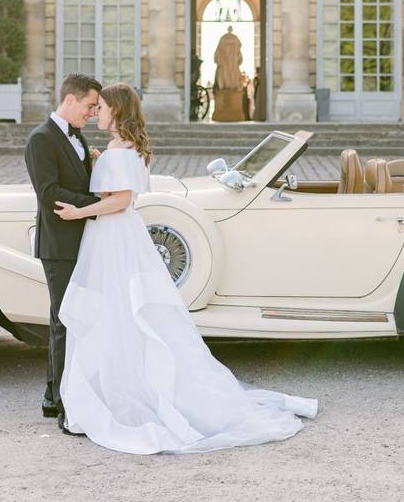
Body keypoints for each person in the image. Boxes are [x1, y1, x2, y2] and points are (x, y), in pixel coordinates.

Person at [52, 82, 318, 454]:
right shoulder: (126, 149)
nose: (97, 112)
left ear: (117, 110)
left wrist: (79, 211)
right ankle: (117, 382)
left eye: (102, 107)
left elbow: (120, 201)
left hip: (112, 235)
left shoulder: (118, 151)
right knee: (123, 313)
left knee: (117, 312)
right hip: (119, 236)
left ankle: (118, 388)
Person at [24, 74, 102, 433]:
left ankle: (57, 394)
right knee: (63, 321)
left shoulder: (78, 137)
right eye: (89, 106)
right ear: (70, 100)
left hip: (82, 241)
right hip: (59, 246)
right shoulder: (41, 139)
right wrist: (97, 204)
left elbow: (76, 179)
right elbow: (49, 192)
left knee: (74, 319)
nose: (92, 113)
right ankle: (58, 400)